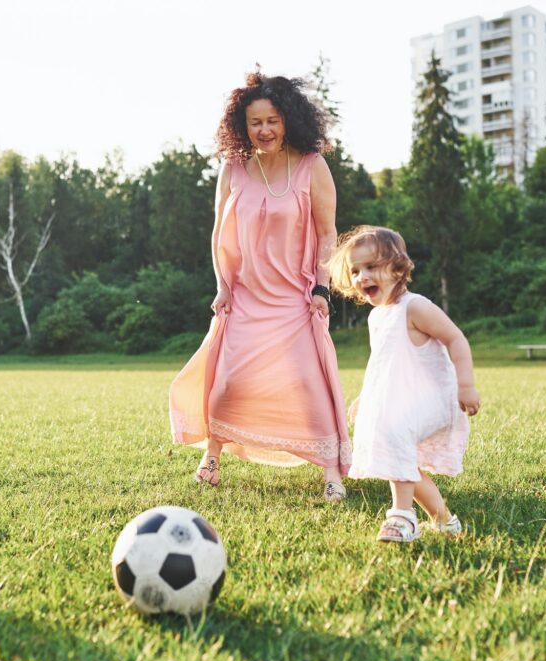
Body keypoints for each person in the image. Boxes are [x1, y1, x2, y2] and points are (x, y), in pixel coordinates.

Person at [169, 72, 351, 501]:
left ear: (288, 120)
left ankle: (330, 471)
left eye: (272, 120)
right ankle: (212, 455)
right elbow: (220, 235)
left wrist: (321, 288)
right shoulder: (233, 169)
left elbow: (328, 233)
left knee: (308, 383)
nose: (264, 130)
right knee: (228, 382)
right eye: (255, 123)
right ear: (242, 126)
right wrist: (223, 287)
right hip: (246, 297)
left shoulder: (311, 165)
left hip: (294, 297)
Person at [327, 226, 479, 542]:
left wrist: (466, 385)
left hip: (436, 400)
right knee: (403, 461)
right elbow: (382, 364)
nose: (361, 277)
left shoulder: (415, 307)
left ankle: (402, 517)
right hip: (403, 401)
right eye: (355, 271)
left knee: (394, 434)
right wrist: (365, 397)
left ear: (397, 268)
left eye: (371, 267)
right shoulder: (377, 317)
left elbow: (456, 338)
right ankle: (447, 523)